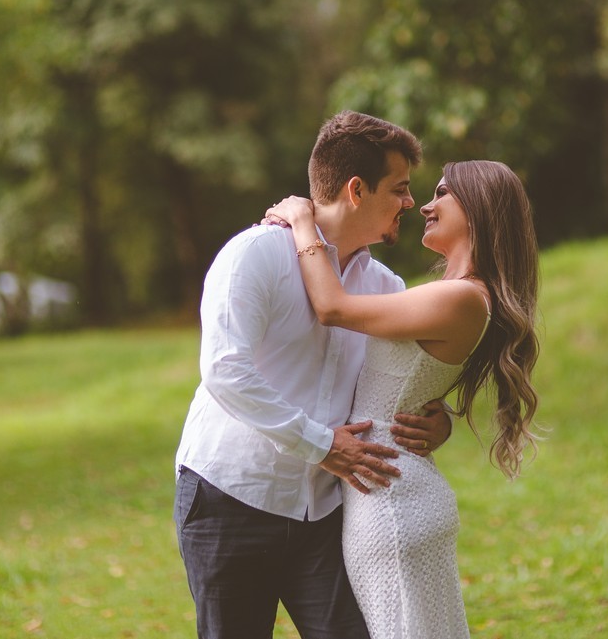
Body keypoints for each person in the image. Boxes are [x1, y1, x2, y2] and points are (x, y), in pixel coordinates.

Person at [174, 111, 455, 639]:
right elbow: (224, 371)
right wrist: (322, 444)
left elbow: (404, 380)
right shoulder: (255, 254)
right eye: (399, 189)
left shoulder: (386, 288)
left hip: (324, 512)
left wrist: (438, 422)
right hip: (230, 497)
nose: (410, 203)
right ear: (356, 189)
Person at [263, 159, 541, 639]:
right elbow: (407, 378)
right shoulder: (457, 295)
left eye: (441, 193)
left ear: (476, 209)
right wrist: (441, 420)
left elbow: (332, 308)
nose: (426, 206)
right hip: (397, 489)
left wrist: (302, 220)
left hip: (390, 500)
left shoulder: (461, 298)